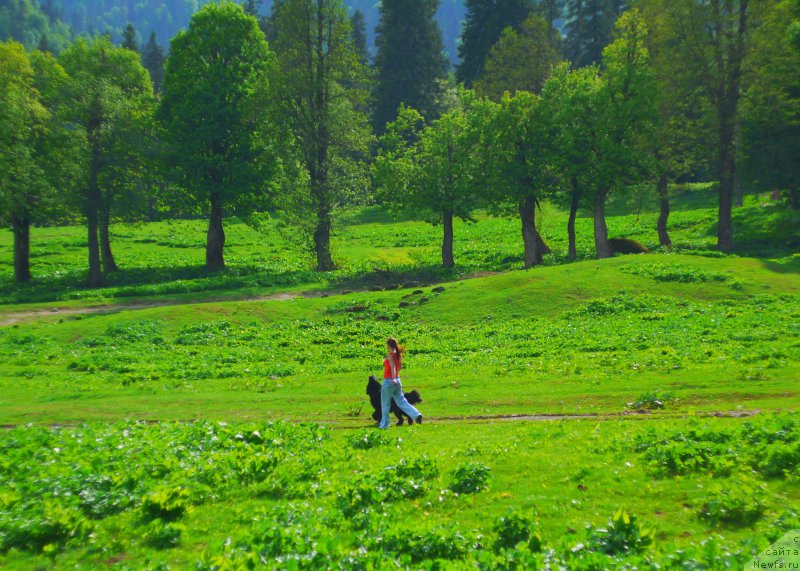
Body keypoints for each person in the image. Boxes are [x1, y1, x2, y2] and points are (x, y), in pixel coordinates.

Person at [379, 337, 423, 429]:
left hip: (389, 381)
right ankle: (416, 415)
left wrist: (393, 378)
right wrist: (395, 378)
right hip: (398, 381)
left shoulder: (391, 356)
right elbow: (399, 367)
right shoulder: (398, 355)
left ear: (388, 345)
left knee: (385, 403)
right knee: (402, 401)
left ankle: (384, 425)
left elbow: (393, 367)